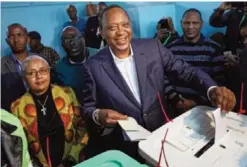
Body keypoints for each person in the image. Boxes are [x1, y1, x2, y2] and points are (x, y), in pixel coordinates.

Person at [83, 5, 236, 160]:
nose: (121, 32)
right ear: (101, 32)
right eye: (112, 27)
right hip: (125, 146)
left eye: (125, 25)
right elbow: (88, 107)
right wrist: (98, 115)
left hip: (162, 134)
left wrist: (212, 89)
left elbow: (187, 72)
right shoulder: (92, 67)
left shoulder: (153, 48)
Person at [11, 56, 88, 167]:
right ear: (24, 78)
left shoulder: (67, 93)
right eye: (32, 73)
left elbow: (83, 127)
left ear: (49, 72)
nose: (38, 76)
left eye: (43, 70)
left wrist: (72, 158)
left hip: (71, 161)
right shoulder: (17, 106)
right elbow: (19, 145)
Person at [166, 8, 226, 112]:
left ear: (201, 24)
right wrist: (175, 99)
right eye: (186, 23)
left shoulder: (214, 48)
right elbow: (164, 78)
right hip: (175, 107)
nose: (190, 27)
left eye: (195, 23)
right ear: (181, 23)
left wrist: (195, 102)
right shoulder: (170, 48)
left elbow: (219, 82)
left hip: (204, 108)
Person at [55, 26, 89, 104]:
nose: (72, 42)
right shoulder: (59, 68)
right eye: (66, 40)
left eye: (74, 37)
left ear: (83, 38)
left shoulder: (100, 57)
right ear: (62, 45)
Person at [1, 23, 30, 112]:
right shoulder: (1, 65)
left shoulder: (39, 61)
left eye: (19, 35)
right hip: (12, 118)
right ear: (7, 41)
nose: (16, 40)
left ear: (27, 38)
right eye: (11, 36)